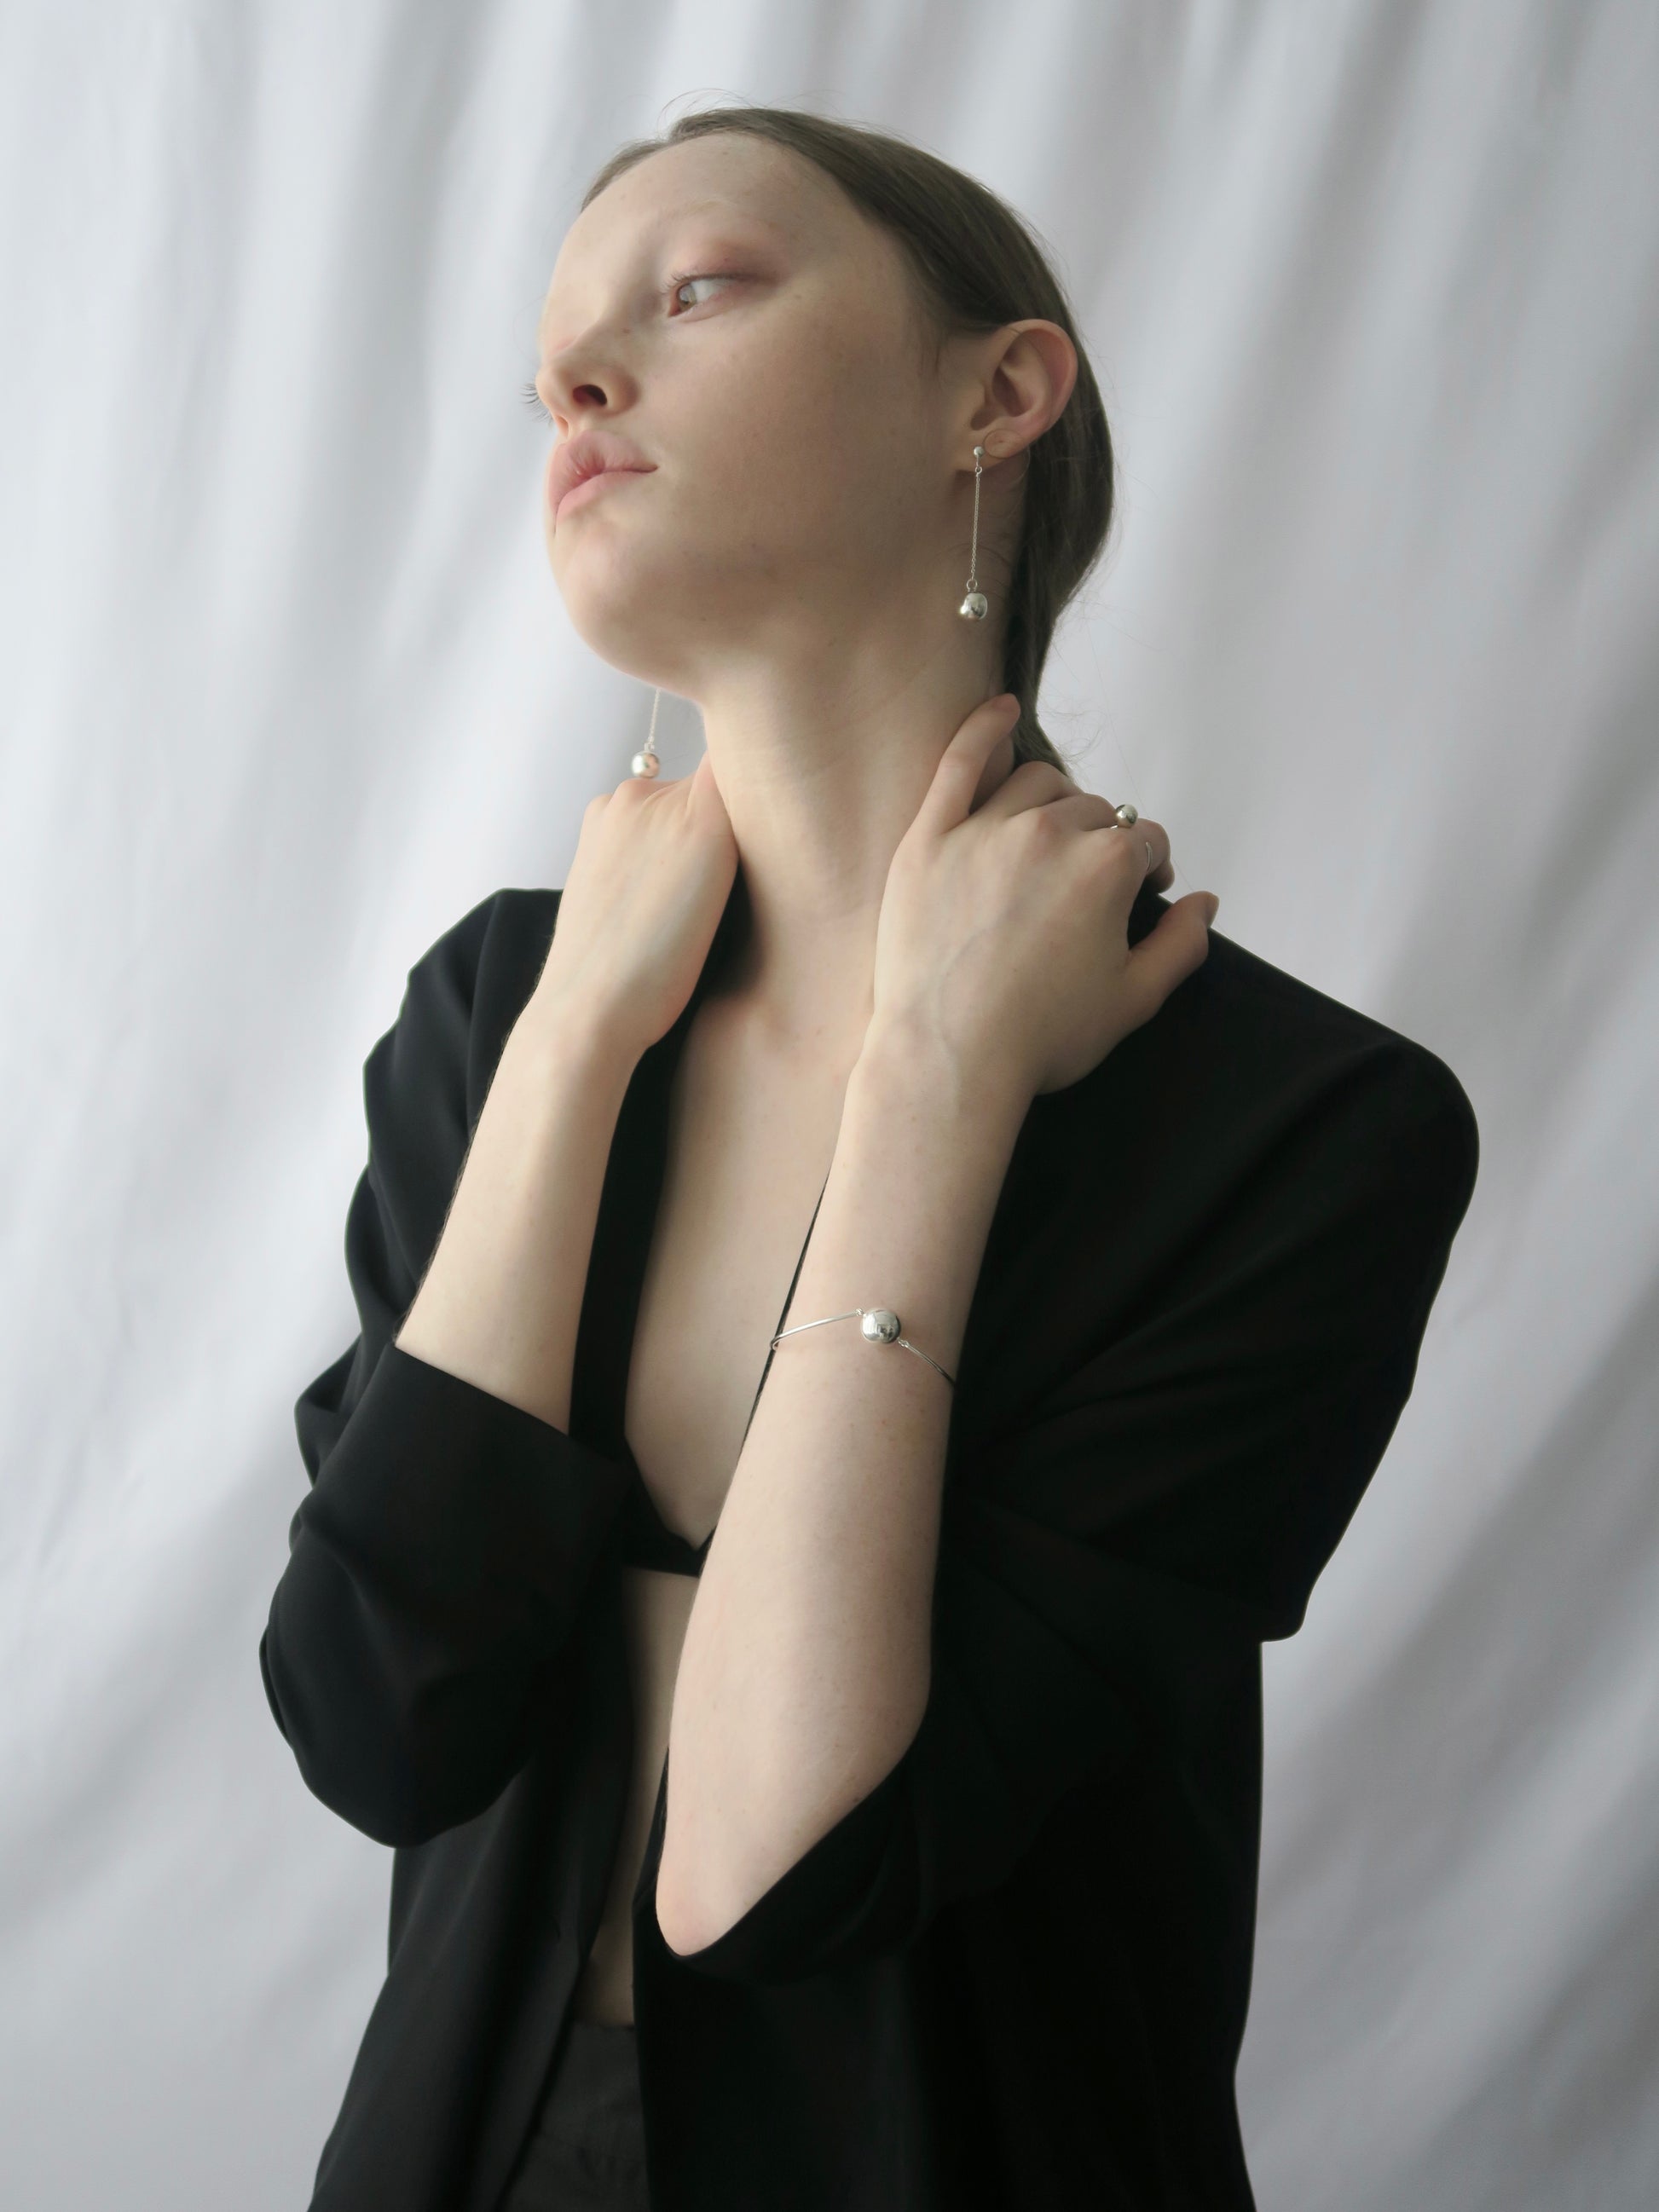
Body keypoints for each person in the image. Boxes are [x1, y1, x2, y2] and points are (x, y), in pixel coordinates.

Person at [260, 106, 1480, 2212]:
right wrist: (570, 1042)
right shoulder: (495, 1018)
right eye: (551, 363)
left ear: (993, 395)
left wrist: (933, 1074)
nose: (576, 380)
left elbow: (774, 1861)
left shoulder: (1293, 1128)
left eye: (694, 290)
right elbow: (378, 1720)